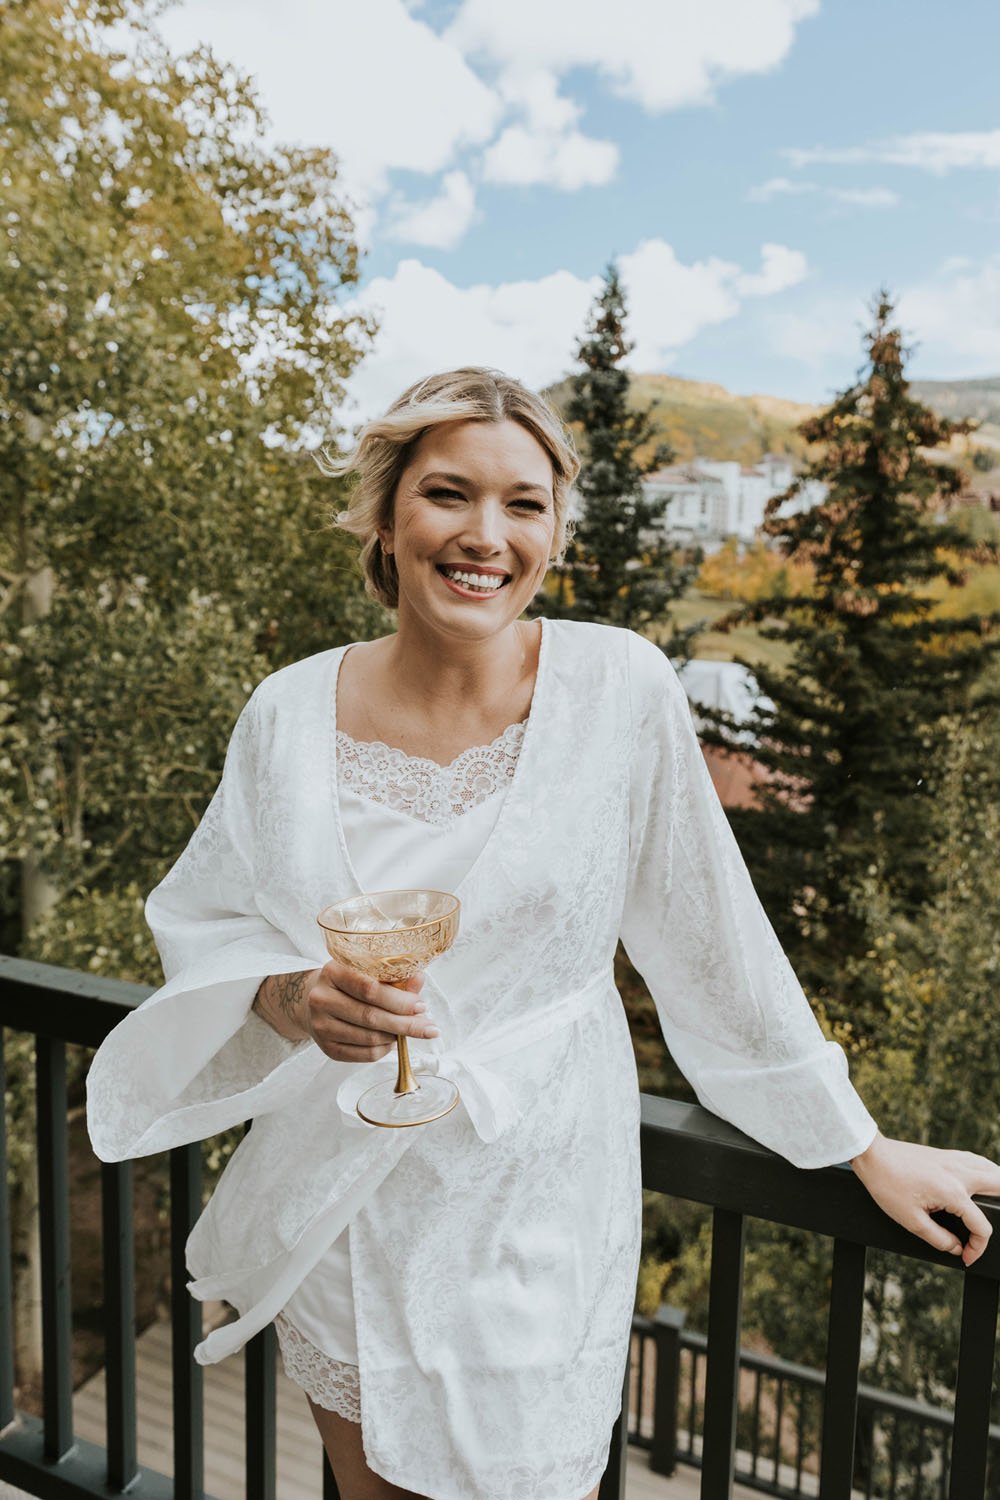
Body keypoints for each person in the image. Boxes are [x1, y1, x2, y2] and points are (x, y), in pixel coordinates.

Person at [86, 367, 1000, 1500]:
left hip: (537, 1201)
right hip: (347, 1200)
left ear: (556, 529)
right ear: (386, 516)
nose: (484, 534)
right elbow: (210, 913)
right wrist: (289, 999)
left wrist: (855, 1144)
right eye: (447, 494)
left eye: (523, 503)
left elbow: (709, 933)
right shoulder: (284, 712)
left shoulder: (619, 688)